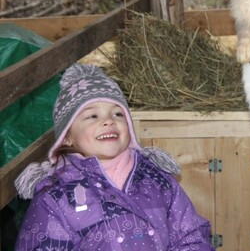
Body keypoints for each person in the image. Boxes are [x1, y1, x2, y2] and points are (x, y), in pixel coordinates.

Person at [13, 63, 214, 251]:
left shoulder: (157, 180)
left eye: (118, 114)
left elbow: (190, 235)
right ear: (67, 137)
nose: (109, 121)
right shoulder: (56, 195)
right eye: (92, 116)